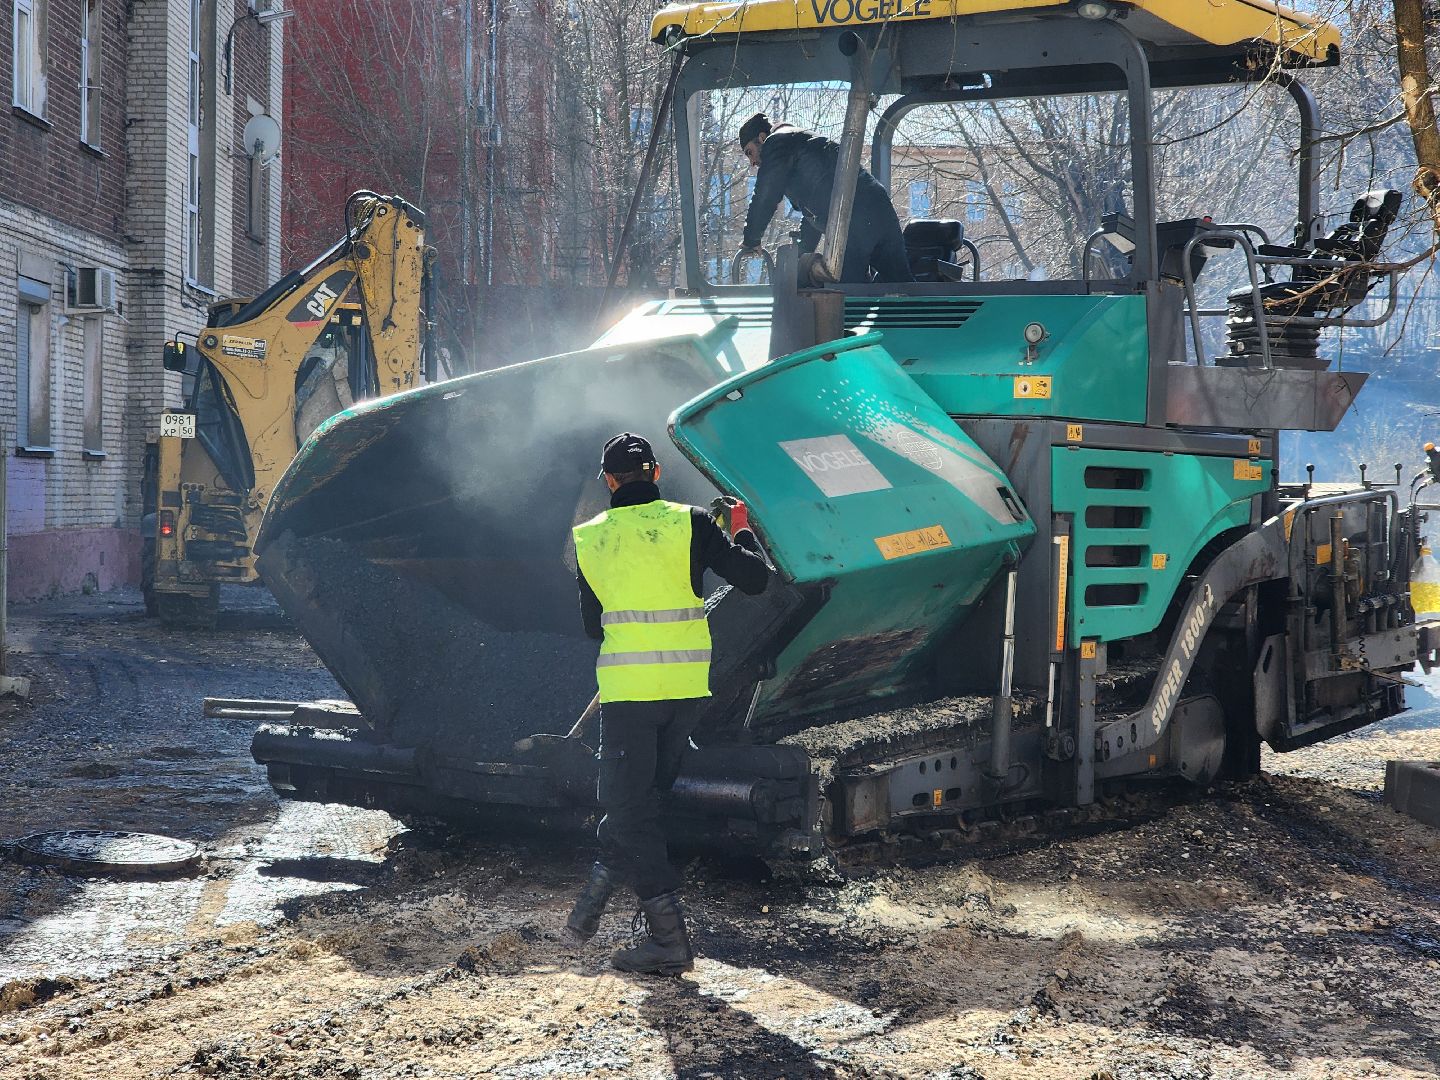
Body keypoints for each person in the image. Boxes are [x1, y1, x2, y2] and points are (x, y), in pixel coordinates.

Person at [566, 432, 772, 975]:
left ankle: (668, 938)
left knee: (625, 804)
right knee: (643, 800)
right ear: (656, 473)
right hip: (686, 688)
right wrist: (742, 528)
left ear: (609, 481)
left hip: (631, 692)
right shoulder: (693, 523)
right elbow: (755, 580)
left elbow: (593, 626)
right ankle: (589, 906)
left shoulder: (590, 539)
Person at [738, 112, 914, 285]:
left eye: (749, 152)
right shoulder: (803, 143)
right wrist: (802, 252)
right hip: (879, 208)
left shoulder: (777, 142)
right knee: (902, 286)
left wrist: (751, 240)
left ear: (762, 138)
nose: (752, 162)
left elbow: (766, 194)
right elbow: (814, 212)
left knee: (845, 293)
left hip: (851, 218)